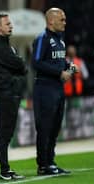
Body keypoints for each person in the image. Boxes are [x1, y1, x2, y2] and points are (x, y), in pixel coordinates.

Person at [32, 8, 77, 175]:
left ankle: (50, 161)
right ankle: (43, 164)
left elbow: (60, 61)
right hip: (45, 88)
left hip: (57, 89)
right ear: (51, 21)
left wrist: (70, 67)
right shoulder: (42, 39)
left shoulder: (61, 41)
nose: (64, 22)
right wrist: (60, 73)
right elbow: (36, 63)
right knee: (45, 127)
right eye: (62, 19)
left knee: (54, 128)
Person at [0, 14, 27, 180]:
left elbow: (20, 65)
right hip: (6, 93)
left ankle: (6, 168)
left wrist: (19, 66)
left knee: (8, 131)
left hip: (11, 92)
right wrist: (19, 66)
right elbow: (20, 64)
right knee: (5, 132)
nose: (11, 25)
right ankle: (4, 170)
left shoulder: (5, 45)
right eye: (7, 23)